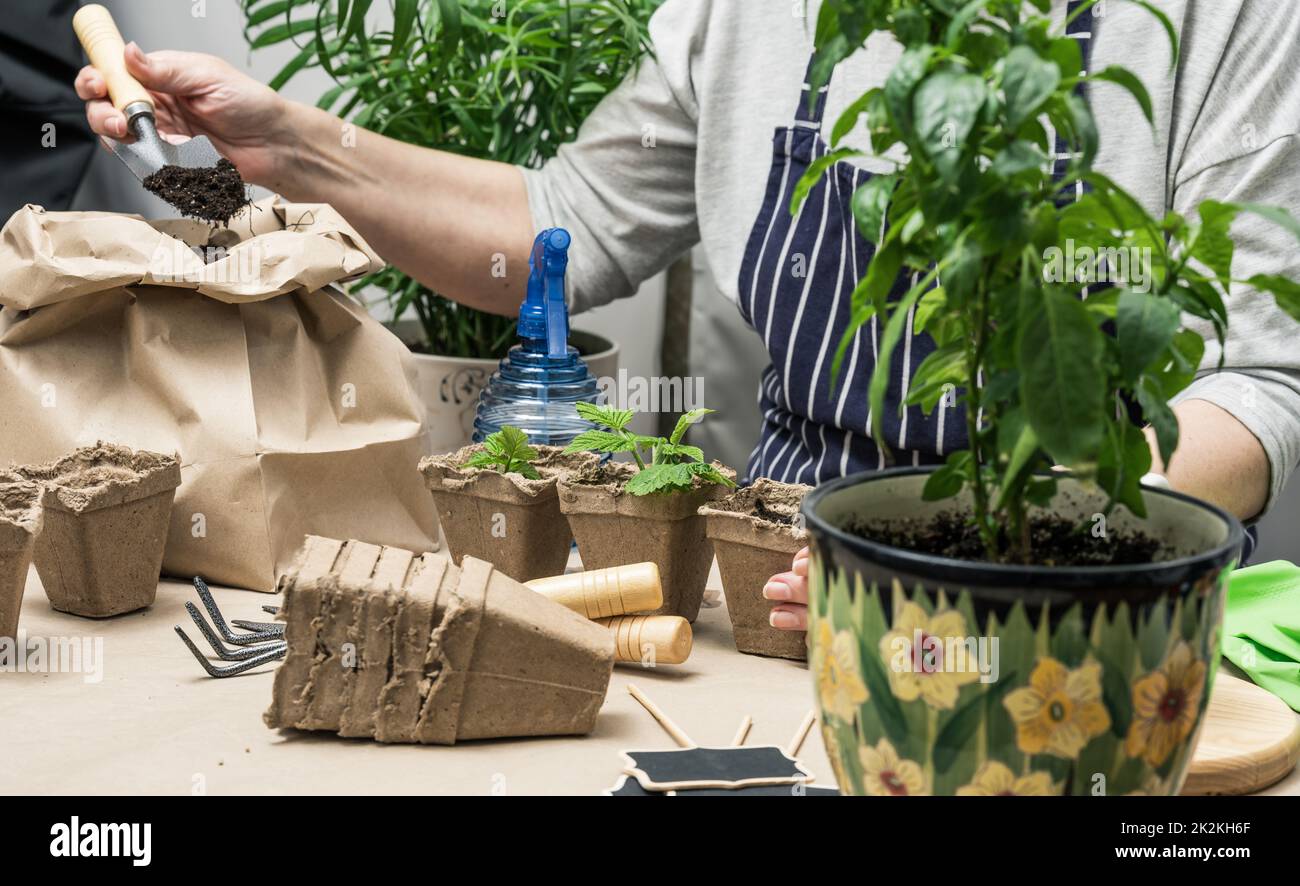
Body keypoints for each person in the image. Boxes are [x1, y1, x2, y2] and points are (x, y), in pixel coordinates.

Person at [76, 0, 1300, 632]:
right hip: (774, 591)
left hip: (1078, 619)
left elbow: (1256, 390)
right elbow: (564, 222)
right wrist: (289, 145)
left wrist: (974, 549)